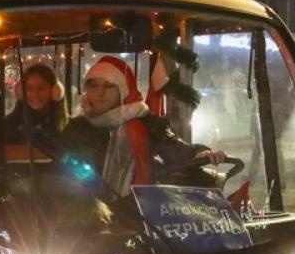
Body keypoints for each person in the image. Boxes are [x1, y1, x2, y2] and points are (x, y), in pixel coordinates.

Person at [60, 55, 222, 202]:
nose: (101, 93)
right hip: (87, 212)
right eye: (94, 86)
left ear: (122, 89)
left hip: (139, 212)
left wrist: (201, 153)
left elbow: (174, 148)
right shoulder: (76, 129)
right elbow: (64, 172)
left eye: (109, 86)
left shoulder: (146, 123)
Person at [1, 62, 67, 157]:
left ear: (55, 91)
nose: (35, 94)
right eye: (29, 89)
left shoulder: (68, 127)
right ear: (21, 91)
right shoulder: (8, 126)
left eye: (41, 88)